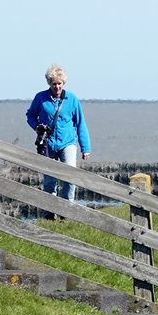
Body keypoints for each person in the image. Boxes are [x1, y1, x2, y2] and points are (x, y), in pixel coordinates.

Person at [25, 64, 91, 210]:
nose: (57, 87)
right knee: (49, 179)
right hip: (48, 143)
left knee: (70, 176)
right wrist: (36, 126)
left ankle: (67, 209)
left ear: (63, 83)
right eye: (54, 84)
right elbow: (30, 115)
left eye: (59, 84)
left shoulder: (72, 99)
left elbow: (80, 123)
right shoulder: (40, 98)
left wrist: (85, 148)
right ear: (49, 83)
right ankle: (49, 211)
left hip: (67, 142)